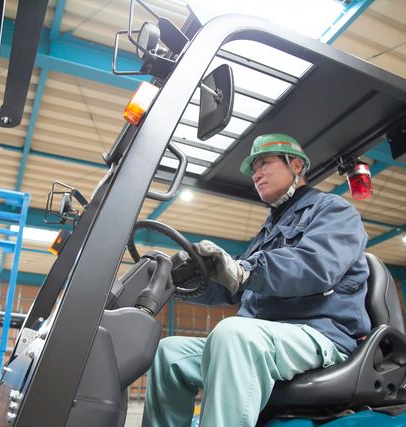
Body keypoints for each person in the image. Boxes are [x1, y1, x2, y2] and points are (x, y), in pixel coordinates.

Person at [141, 133, 371, 427]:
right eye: (254, 169)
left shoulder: (333, 210)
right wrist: (177, 283)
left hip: (319, 333)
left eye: (264, 163)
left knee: (233, 334)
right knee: (168, 353)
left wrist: (244, 270)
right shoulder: (268, 231)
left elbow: (316, 266)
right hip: (264, 339)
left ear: (296, 165)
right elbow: (233, 289)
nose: (257, 174)